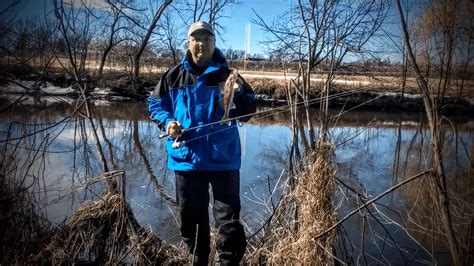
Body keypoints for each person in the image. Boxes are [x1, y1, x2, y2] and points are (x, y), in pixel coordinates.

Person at [147, 21, 256, 265]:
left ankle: (228, 262)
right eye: (196, 39)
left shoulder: (229, 76)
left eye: (207, 39)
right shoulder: (173, 76)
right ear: (189, 43)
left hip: (223, 160)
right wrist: (167, 122)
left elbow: (250, 108)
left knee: (228, 223)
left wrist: (236, 96)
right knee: (191, 219)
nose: (201, 44)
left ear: (214, 43)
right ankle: (199, 260)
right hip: (187, 160)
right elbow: (155, 104)